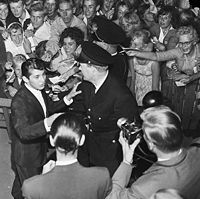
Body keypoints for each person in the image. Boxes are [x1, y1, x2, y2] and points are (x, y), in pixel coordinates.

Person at [10, 58, 81, 199]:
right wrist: (46, 123)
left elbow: (47, 109)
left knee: (22, 183)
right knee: (32, 189)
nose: (42, 80)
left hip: (39, 148)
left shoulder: (39, 89)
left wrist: (67, 98)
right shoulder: (19, 101)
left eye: (43, 75)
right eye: (37, 77)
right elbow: (23, 132)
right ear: (25, 79)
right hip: (27, 155)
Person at [69, 41, 140, 176]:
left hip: (110, 154)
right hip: (89, 146)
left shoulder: (120, 95)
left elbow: (129, 132)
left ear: (92, 68)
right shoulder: (88, 85)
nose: (79, 69)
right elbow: (80, 106)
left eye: (81, 66)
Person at [106, 105, 200, 199]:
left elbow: (111, 197)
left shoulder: (142, 190)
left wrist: (126, 162)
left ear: (151, 145)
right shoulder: (197, 147)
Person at [126, 25, 200, 136]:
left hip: (196, 85)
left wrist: (192, 78)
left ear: (194, 41)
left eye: (187, 43)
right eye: (181, 43)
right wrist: (135, 53)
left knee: (194, 112)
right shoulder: (178, 51)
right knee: (179, 110)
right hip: (180, 85)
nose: (183, 47)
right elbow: (157, 56)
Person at [22, 113, 112, 199]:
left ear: (51, 140)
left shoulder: (31, 187)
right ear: (82, 140)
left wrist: (42, 178)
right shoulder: (102, 176)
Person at [92, 16, 129, 82]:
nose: (94, 42)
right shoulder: (117, 57)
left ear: (105, 45)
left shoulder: (117, 64)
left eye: (97, 41)